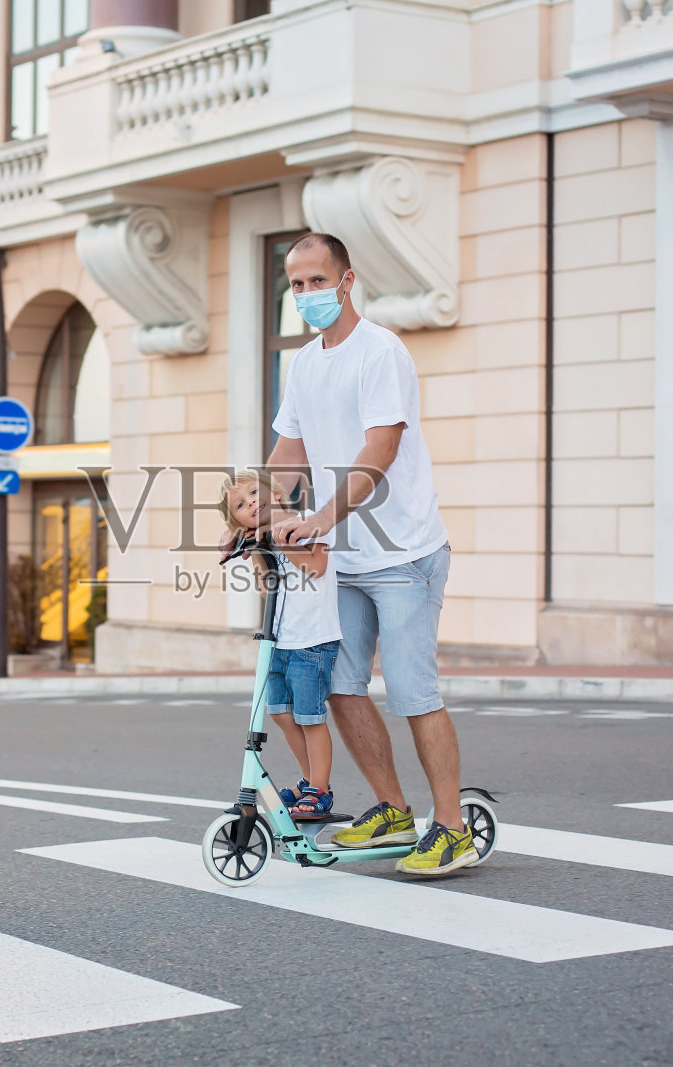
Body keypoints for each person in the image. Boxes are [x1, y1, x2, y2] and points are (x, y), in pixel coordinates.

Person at [266, 232, 475, 876]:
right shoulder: (303, 363)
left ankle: (451, 827)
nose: (306, 296)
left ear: (347, 281)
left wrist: (321, 517)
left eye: (316, 283)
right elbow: (288, 453)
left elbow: (380, 450)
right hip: (343, 560)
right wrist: (252, 514)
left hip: (404, 551)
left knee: (413, 692)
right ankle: (390, 809)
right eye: (296, 286)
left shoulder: (381, 352)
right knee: (337, 683)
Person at [219, 469, 341, 818]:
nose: (252, 503)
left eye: (256, 493)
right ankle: (308, 781)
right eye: (241, 504)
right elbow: (265, 588)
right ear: (238, 520)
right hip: (279, 641)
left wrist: (281, 540)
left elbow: (316, 567)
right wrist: (258, 550)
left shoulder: (306, 523)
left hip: (312, 640)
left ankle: (320, 790)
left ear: (274, 491)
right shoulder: (265, 538)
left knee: (310, 718)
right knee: (281, 714)